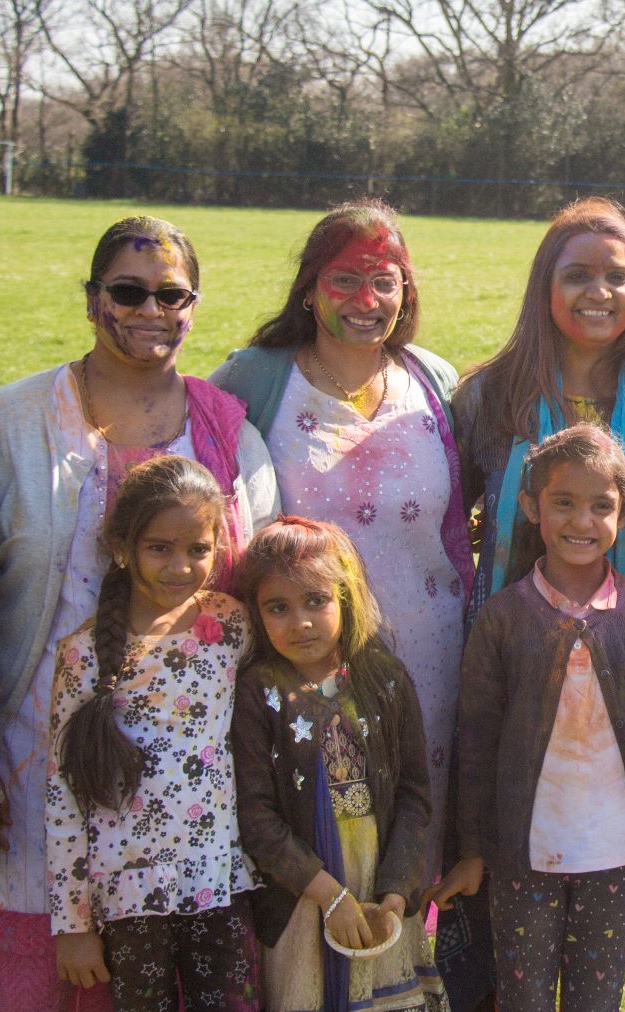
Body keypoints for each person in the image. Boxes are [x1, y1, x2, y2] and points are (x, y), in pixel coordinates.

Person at [0, 215, 277, 1012]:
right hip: (34, 755)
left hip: (185, 805)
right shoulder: (15, 420)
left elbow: (256, 592)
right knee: (19, 997)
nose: (150, 309)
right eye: (128, 291)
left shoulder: (227, 432)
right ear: (93, 299)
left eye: (172, 294)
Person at [445, 198, 625, 1012]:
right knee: (506, 922)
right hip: (513, 684)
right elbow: (457, 544)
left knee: (604, 922)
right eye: (578, 274)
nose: (599, 291)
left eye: (618, 275)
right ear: (545, 286)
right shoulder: (490, 397)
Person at [210, 199, 470, 876]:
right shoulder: (258, 378)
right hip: (306, 667)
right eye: (345, 280)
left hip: (433, 662)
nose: (367, 298)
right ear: (309, 287)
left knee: (419, 841)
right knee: (329, 844)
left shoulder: (433, 380)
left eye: (385, 281)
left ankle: (411, 972)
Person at [437, 424, 625, 1012]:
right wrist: (471, 852)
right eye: (564, 503)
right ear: (531, 508)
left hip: (616, 858)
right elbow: (476, 746)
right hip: (522, 861)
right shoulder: (503, 619)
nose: (583, 520)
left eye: (601, 505)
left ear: (624, 514)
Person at [46, 456, 262, 1012]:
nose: (180, 566)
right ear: (122, 546)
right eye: (159, 547)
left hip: (219, 880)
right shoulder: (84, 656)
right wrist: (73, 925)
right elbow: (63, 797)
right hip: (126, 894)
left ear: (219, 544)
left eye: (197, 548)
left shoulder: (229, 625)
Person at [231, 515, 451, 1012]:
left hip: (377, 898)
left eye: (315, 601)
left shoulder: (384, 679)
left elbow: (414, 796)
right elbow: (255, 816)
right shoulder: (259, 692)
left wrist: (395, 897)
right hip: (302, 900)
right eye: (277, 607)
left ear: (347, 597)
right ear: (256, 613)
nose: (300, 622)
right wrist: (331, 898)